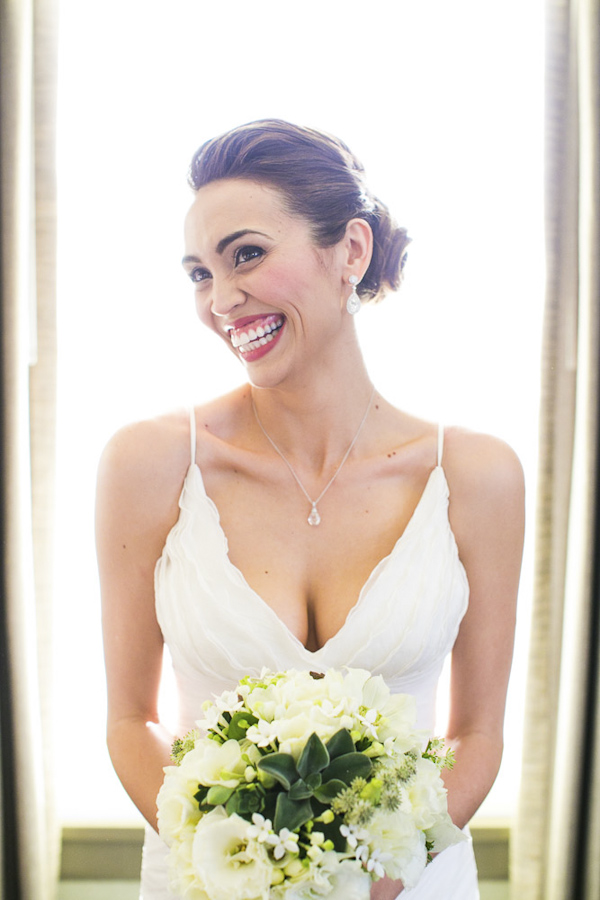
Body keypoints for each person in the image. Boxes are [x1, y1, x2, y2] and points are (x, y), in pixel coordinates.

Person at [96, 119, 524, 900]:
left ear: (350, 252)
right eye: (199, 273)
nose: (222, 300)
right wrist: (250, 873)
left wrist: (381, 875)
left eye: (247, 255)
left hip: (412, 884)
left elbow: (476, 734)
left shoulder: (475, 473)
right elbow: (129, 719)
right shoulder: (150, 461)